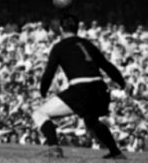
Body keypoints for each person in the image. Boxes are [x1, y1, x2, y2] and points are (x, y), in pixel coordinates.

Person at [32, 11, 127, 160]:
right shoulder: (87, 43)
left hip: (81, 89)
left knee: (40, 113)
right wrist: (121, 82)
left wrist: (43, 90)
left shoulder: (59, 47)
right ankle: (116, 152)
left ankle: (54, 149)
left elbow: (49, 72)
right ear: (77, 28)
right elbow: (106, 65)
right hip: (100, 89)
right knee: (91, 120)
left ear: (62, 29)